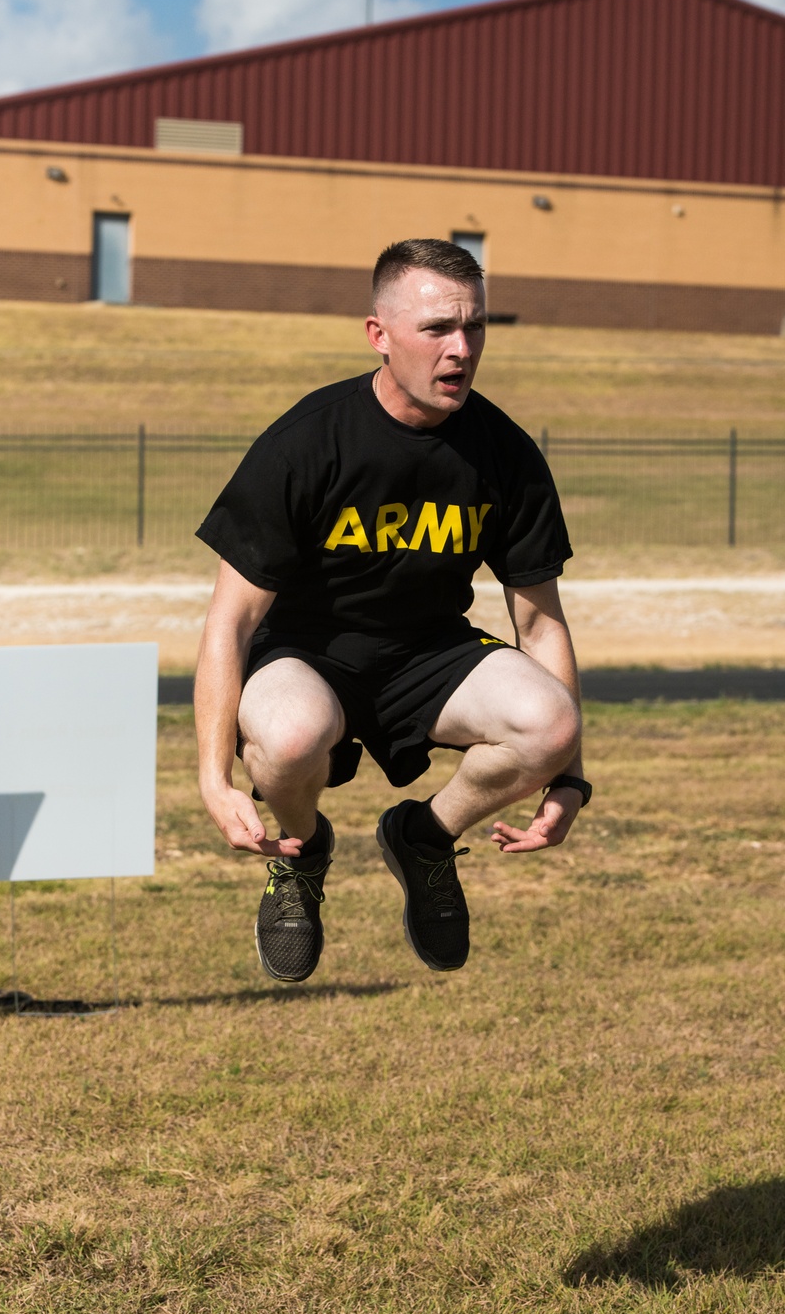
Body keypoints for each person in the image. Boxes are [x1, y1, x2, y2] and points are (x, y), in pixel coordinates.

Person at [194, 238, 590, 983]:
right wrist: (214, 780)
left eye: (473, 327)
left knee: (553, 722)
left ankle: (426, 839)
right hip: (308, 655)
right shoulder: (307, 442)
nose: (460, 348)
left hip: (429, 654)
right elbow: (231, 621)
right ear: (380, 335)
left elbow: (539, 622)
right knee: (287, 737)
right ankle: (303, 852)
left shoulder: (503, 453)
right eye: (437, 328)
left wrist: (569, 777)